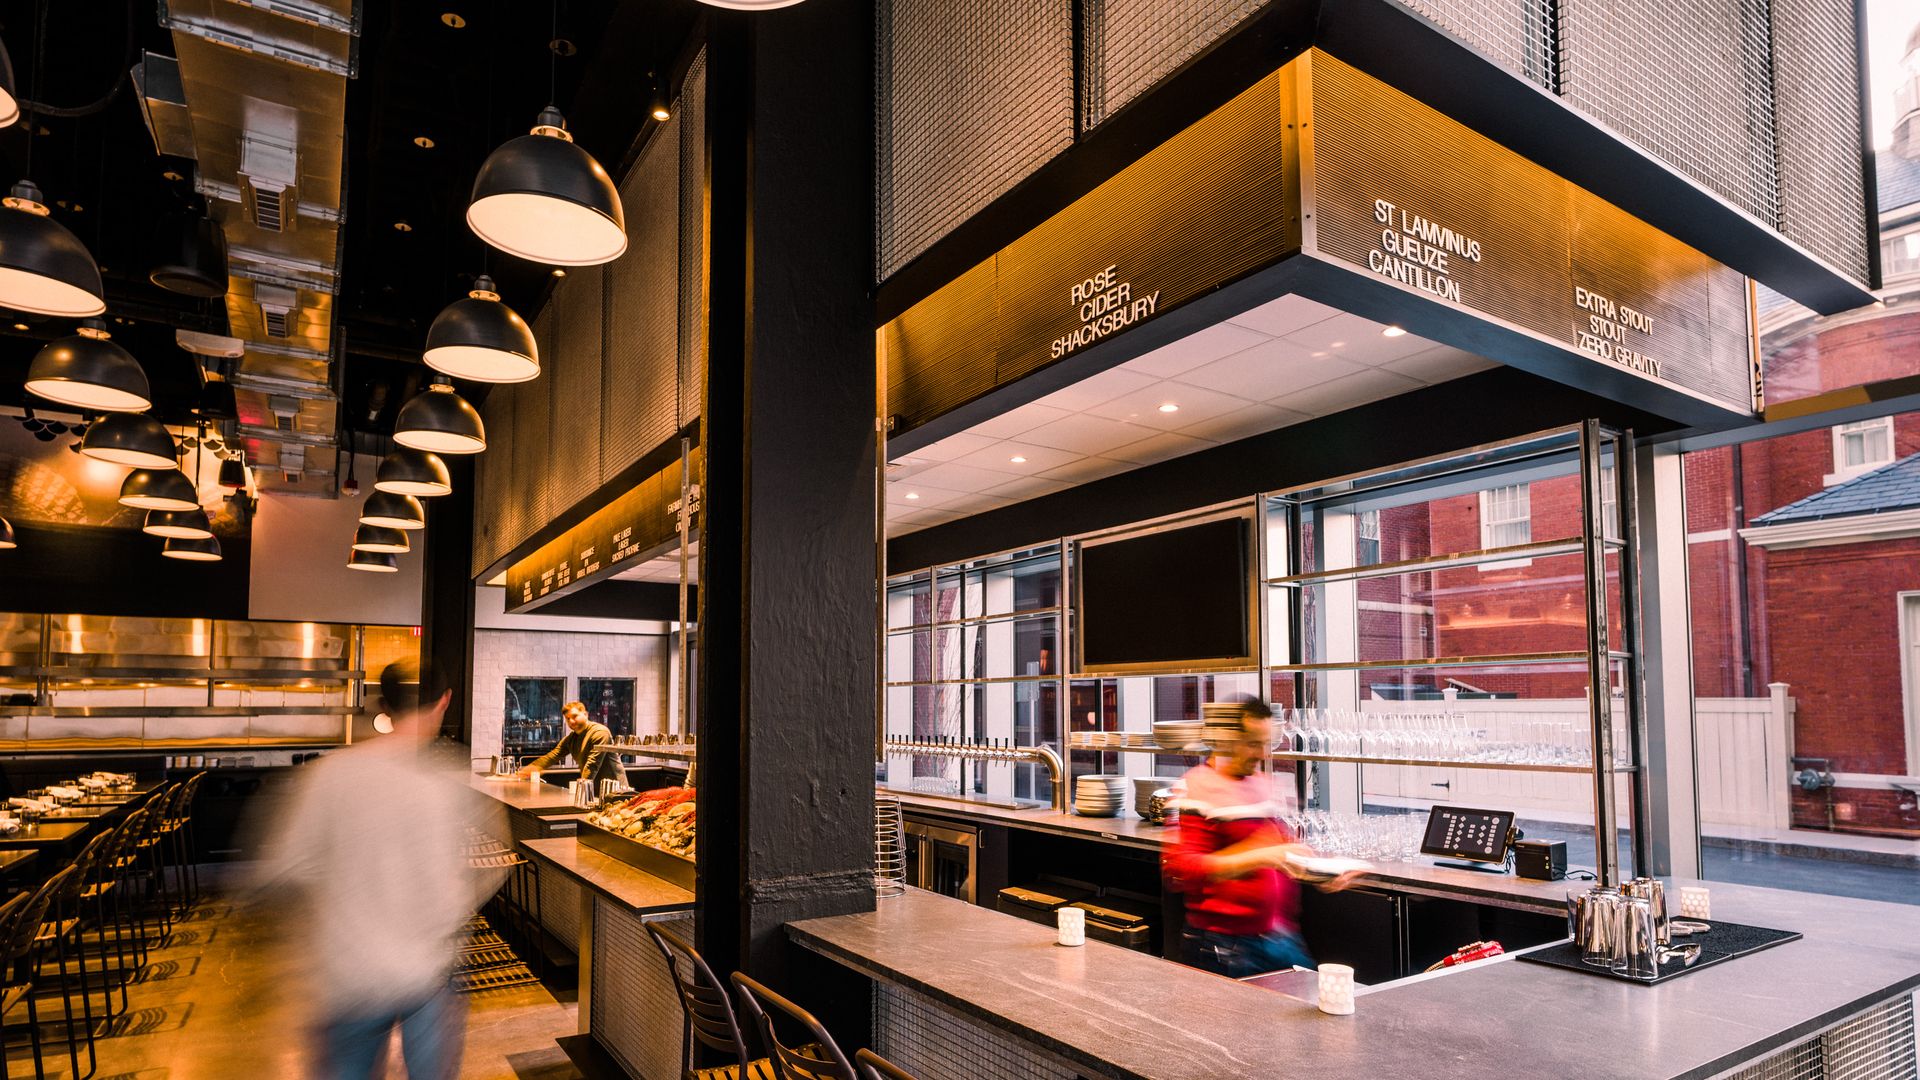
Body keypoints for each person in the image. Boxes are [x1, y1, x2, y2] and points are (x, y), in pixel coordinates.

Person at [251, 660, 508, 1080]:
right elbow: (494, 862)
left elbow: (285, 868)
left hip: (348, 977)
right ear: (445, 701)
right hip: (427, 974)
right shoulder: (447, 780)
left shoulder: (331, 774)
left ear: (384, 704)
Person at [1162, 694, 1359, 978]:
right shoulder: (1194, 788)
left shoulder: (1263, 784)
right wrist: (1261, 856)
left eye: (1266, 743)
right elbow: (1181, 871)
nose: (1261, 753)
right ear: (1227, 740)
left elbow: (1280, 851)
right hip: (1224, 947)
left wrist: (1321, 872)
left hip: (1280, 936)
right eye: (1253, 743)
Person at [516, 700, 629, 788]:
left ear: (585, 714)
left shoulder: (600, 732)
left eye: (575, 716)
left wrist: (581, 789)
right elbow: (552, 756)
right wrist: (529, 770)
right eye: (568, 718)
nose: (571, 721)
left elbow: (592, 765)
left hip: (615, 789)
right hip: (593, 789)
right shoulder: (571, 738)